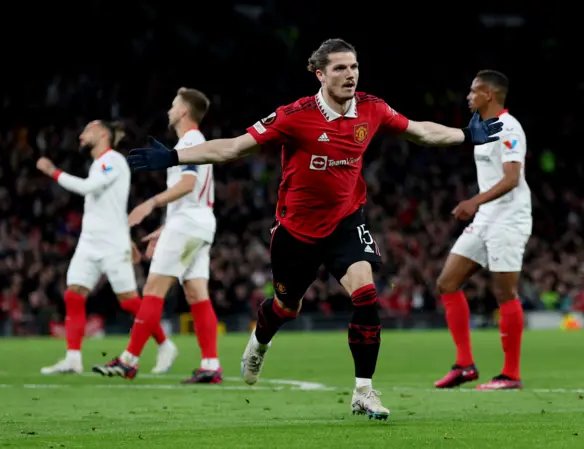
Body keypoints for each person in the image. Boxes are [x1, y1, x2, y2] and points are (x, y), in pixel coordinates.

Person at [126, 39, 503, 418]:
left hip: (345, 221)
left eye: (354, 67)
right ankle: (259, 341)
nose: (349, 74)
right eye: (339, 68)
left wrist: (465, 135)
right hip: (297, 231)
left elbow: (419, 131)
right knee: (286, 307)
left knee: (367, 295)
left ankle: (364, 391)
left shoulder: (371, 108)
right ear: (320, 74)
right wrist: (175, 155)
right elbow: (235, 147)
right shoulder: (295, 115)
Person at [92, 88, 222, 384]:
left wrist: (150, 203)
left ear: (184, 112)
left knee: (153, 289)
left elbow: (189, 183)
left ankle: (129, 360)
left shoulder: (190, 141)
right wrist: (164, 229)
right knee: (196, 294)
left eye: (174, 105)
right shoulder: (193, 143)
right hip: (198, 224)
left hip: (188, 225)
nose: (169, 110)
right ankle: (211, 365)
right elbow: (194, 195)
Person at [37, 120, 175, 375]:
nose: (81, 134)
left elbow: (88, 188)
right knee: (73, 294)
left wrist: (53, 171)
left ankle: (165, 344)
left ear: (102, 134)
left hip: (111, 244)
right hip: (89, 241)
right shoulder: (98, 164)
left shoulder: (114, 161)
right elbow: (111, 207)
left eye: (86, 130)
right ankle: (73, 358)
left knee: (130, 302)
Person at [434, 70, 530, 390]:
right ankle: (464, 365)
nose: (468, 96)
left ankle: (511, 374)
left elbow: (512, 177)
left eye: (474, 91)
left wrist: (473, 201)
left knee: (504, 292)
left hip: (508, 217)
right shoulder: (482, 127)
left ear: (489, 94)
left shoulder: (509, 127)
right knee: (447, 283)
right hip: (486, 217)